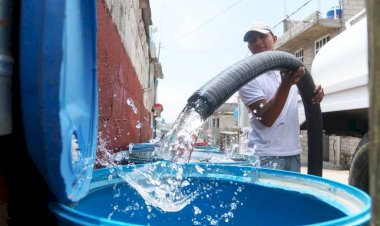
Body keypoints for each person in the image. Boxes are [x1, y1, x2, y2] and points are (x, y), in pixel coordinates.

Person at [238, 21, 324, 172]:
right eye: (252, 39)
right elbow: (267, 118)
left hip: (293, 153)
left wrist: (316, 92)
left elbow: (306, 95)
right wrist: (285, 86)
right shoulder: (247, 77)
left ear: (274, 38)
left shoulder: (288, 69)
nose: (257, 41)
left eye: (262, 36)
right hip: (264, 156)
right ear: (248, 46)